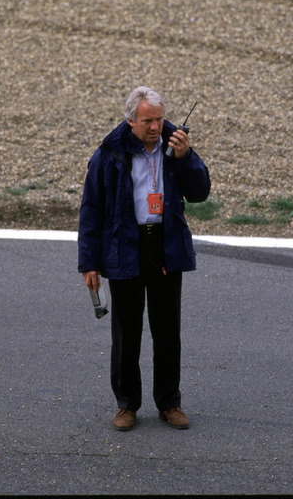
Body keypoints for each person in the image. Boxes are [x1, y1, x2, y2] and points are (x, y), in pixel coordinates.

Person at [78, 86, 211, 431]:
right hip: (125, 247)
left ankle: (169, 403)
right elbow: (91, 211)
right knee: (126, 333)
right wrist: (88, 263)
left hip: (165, 247)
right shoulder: (108, 154)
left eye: (159, 119)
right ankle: (127, 405)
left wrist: (187, 158)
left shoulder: (175, 148)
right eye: (148, 121)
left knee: (168, 330)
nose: (155, 127)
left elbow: (199, 193)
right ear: (130, 121)